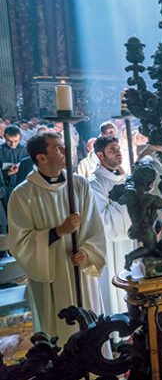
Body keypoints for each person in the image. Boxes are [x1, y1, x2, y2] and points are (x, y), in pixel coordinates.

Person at [8, 132, 106, 341]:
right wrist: (58, 231)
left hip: (81, 272)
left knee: (90, 328)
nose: (65, 152)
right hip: (51, 274)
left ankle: (96, 372)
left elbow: (94, 227)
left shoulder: (79, 185)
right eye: (57, 148)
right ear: (41, 158)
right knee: (60, 333)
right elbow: (19, 243)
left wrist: (87, 253)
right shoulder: (23, 195)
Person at [89, 136, 133, 315]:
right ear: (100, 155)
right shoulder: (95, 182)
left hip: (130, 240)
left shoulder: (126, 177)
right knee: (113, 294)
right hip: (110, 245)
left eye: (119, 149)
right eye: (112, 150)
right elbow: (102, 218)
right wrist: (130, 206)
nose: (118, 153)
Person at [0, 125, 28, 209]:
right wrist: (7, 173)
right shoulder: (0, 151)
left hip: (24, 186)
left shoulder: (26, 150)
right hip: (6, 187)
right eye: (9, 141)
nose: (13, 144)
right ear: (4, 137)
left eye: (16, 141)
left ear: (20, 138)